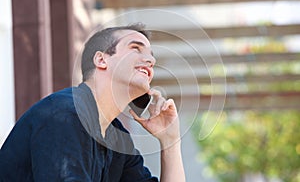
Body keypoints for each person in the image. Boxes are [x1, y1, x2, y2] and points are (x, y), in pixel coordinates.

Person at [0, 23, 186, 182]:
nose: (151, 60)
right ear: (101, 59)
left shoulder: (118, 140)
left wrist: (170, 141)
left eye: (151, 55)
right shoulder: (65, 116)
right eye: (135, 48)